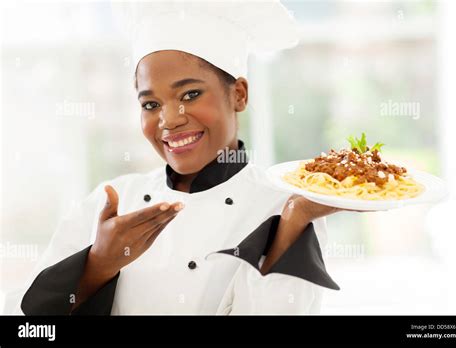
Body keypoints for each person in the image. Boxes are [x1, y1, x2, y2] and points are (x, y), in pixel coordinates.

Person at [15, 0, 343, 315]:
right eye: (150, 104)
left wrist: (294, 222)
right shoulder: (112, 201)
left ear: (239, 94)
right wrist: (98, 265)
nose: (169, 119)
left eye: (190, 94)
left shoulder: (284, 205)